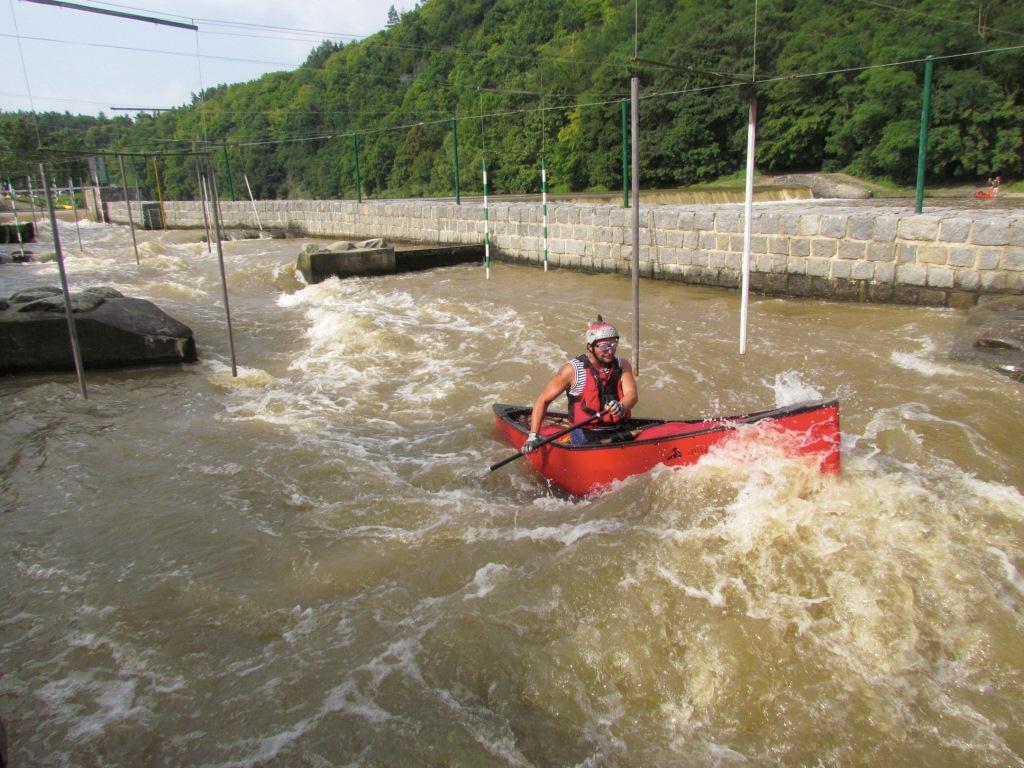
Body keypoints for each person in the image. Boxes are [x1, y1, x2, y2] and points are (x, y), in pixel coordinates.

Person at [521, 316, 638, 453]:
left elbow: (632, 395)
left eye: (613, 345)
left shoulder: (622, 364)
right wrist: (533, 436)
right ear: (590, 346)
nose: (610, 351)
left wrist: (621, 406)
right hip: (586, 433)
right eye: (605, 347)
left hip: (619, 427)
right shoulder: (572, 370)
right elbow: (543, 400)